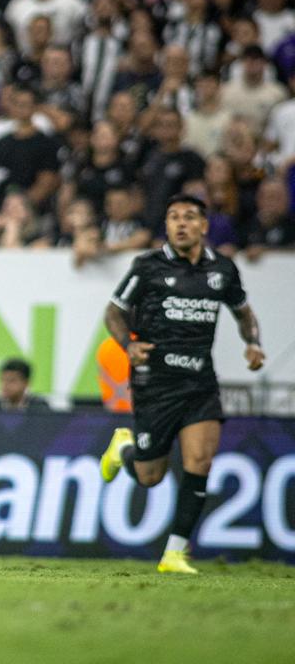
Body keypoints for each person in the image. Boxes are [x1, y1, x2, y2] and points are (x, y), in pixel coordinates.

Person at [99, 193, 266, 574]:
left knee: (200, 461)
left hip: (199, 382)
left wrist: (254, 343)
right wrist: (128, 345)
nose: (181, 224)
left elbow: (244, 313)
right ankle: (124, 447)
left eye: (189, 217)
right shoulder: (148, 266)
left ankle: (174, 553)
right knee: (150, 476)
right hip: (155, 381)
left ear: (203, 226)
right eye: (174, 217)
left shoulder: (222, 269)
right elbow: (114, 312)